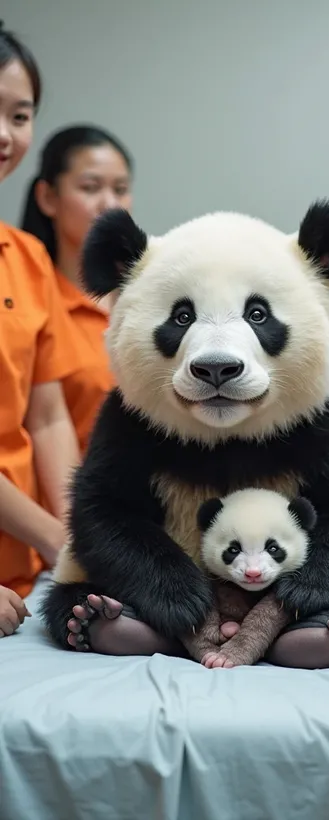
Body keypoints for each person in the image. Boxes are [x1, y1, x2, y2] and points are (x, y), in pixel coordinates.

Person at [0, 23, 85, 636]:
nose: (5, 135)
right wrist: (60, 539)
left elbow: (48, 417)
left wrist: (82, 538)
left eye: (20, 115)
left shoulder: (27, 258)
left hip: (23, 569)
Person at [20, 125, 133, 453]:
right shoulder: (27, 299)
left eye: (121, 189)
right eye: (90, 187)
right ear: (48, 197)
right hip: (65, 494)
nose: (109, 204)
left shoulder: (146, 295)